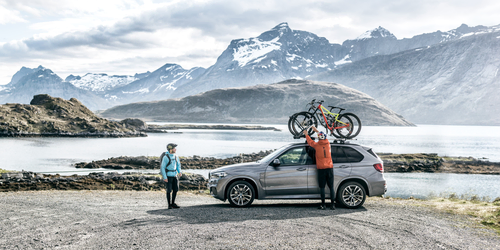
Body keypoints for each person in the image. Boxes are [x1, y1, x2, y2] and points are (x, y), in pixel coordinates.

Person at [304, 126, 335, 210]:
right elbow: (322, 136)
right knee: (331, 187)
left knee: (322, 187)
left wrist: (306, 134)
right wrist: (317, 131)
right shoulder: (328, 144)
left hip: (321, 169)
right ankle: (332, 205)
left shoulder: (317, 145)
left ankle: (323, 205)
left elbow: (310, 142)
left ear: (318, 139)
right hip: (330, 168)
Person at [160, 143, 182, 209]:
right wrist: (164, 177)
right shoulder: (166, 157)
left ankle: (173, 203)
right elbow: (162, 167)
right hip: (168, 176)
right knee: (169, 190)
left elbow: (178, 165)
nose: (175, 149)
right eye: (174, 148)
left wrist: (179, 172)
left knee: (175, 189)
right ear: (170, 149)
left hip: (175, 175)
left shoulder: (176, 156)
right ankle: (169, 204)